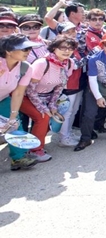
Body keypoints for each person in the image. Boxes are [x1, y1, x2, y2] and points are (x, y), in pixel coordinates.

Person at [22, 36, 77, 162]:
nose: (66, 51)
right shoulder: (42, 63)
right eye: (62, 47)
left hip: (48, 96)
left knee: (53, 114)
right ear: (54, 48)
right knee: (43, 116)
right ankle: (35, 150)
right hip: (26, 97)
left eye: (70, 48)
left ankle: (35, 142)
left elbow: (60, 86)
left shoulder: (69, 63)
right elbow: (30, 89)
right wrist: (43, 108)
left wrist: (52, 105)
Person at [0, 34, 40, 170]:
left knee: (15, 125)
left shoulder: (25, 67)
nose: (28, 52)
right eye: (24, 49)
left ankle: (18, 158)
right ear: (9, 52)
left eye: (29, 48)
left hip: (3, 98)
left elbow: (18, 92)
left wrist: (13, 115)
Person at [54, 22, 84, 147]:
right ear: (60, 34)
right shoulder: (60, 48)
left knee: (74, 110)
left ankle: (68, 132)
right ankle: (63, 137)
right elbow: (76, 64)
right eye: (67, 32)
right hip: (67, 85)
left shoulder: (75, 47)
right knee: (67, 111)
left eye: (73, 31)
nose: (71, 34)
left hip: (77, 83)